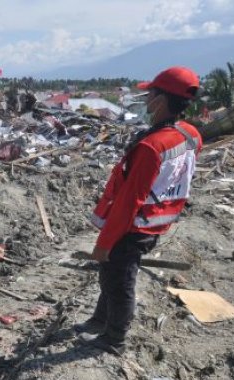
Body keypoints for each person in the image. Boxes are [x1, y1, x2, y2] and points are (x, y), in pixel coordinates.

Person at [76, 66, 202, 355]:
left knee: (120, 281)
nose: (146, 100)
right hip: (157, 222)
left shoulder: (151, 146)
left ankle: (114, 339)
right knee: (113, 274)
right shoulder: (191, 134)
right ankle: (99, 320)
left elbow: (129, 201)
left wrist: (103, 244)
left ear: (161, 100)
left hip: (134, 226)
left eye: (150, 94)